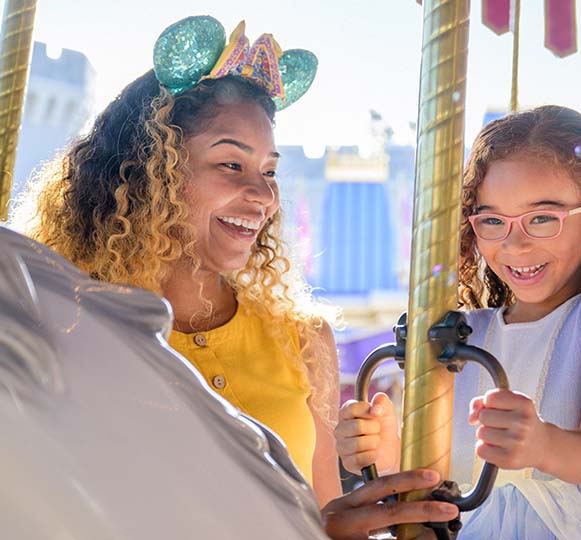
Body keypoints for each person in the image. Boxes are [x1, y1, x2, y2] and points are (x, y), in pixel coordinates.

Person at [10, 15, 348, 504]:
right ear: (153, 171)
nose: (262, 195)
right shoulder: (63, 330)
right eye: (231, 164)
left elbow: (325, 515)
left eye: (269, 170)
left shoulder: (304, 341)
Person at [335, 105, 581, 538]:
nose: (516, 243)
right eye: (492, 220)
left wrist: (542, 443)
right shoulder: (469, 333)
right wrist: (389, 453)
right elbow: (451, 472)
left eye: (542, 218)